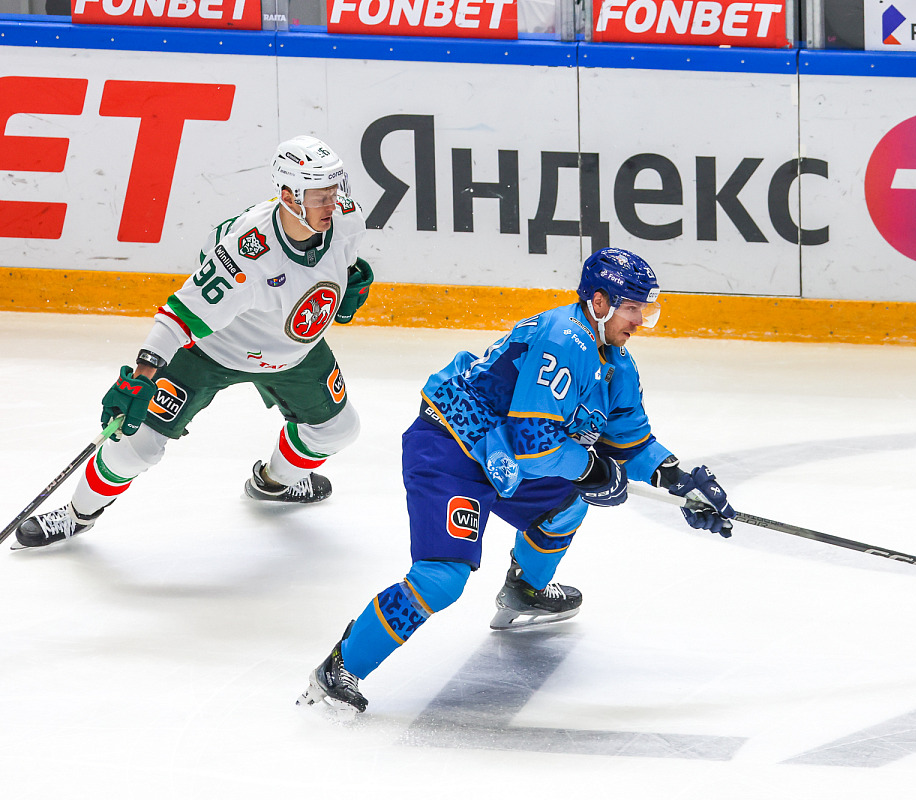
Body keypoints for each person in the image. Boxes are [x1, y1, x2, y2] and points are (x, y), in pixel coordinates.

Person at [297, 247, 738, 715]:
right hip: (455, 448)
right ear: (600, 302)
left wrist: (681, 481)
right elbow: (535, 442)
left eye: (644, 309)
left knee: (567, 502)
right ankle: (340, 667)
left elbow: (630, 441)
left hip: (505, 456)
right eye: (632, 308)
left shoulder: (616, 363)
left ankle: (526, 590)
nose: (639, 321)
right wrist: (592, 471)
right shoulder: (563, 338)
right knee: (441, 579)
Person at [14, 135, 372, 549]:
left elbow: (340, 263)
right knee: (136, 448)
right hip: (212, 352)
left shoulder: (346, 218)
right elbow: (178, 317)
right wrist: (140, 376)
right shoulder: (246, 253)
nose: (333, 203)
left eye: (334, 191)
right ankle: (77, 515)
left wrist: (347, 282)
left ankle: (274, 483)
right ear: (290, 196)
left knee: (339, 429)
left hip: (295, 353)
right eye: (321, 196)